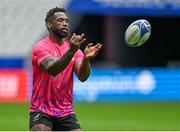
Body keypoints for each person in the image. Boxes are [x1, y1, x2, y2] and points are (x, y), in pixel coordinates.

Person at [29, 7, 102, 131]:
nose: (65, 23)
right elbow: (52, 69)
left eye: (67, 21)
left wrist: (86, 59)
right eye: (60, 20)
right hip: (41, 109)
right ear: (49, 24)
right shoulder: (40, 47)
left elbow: (83, 77)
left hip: (65, 110)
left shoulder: (75, 50)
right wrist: (71, 51)